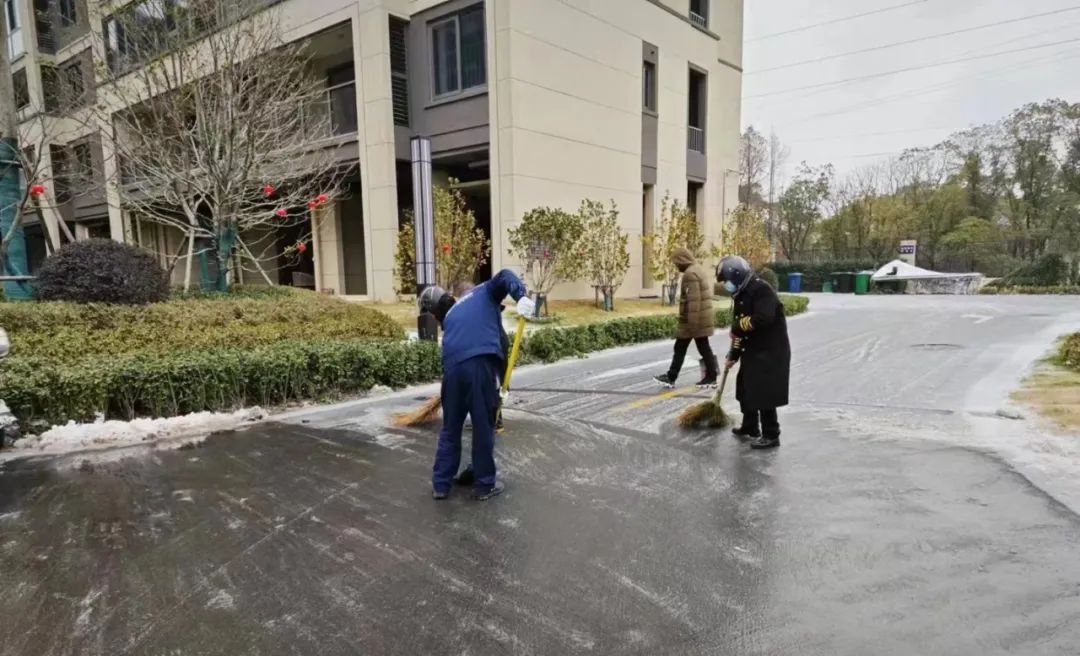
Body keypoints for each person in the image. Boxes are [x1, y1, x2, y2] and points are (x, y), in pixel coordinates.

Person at [421, 270, 534, 500]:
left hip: (452, 374)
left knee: (450, 430)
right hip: (479, 368)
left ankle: (441, 485)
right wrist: (520, 295)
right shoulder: (482, 292)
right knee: (483, 427)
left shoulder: (451, 318)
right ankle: (484, 485)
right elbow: (505, 276)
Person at [718, 256, 790, 450]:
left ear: (737, 275)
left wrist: (737, 327)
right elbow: (739, 331)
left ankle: (771, 434)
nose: (726, 285)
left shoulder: (761, 290)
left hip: (770, 350)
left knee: (764, 392)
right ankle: (751, 426)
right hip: (754, 349)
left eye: (727, 280)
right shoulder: (741, 294)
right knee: (745, 387)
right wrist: (733, 354)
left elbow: (764, 318)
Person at [654, 247, 719, 389]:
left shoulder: (690, 274)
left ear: (682, 260)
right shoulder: (697, 269)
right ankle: (709, 375)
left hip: (693, 321)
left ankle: (709, 377)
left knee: (689, 347)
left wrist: (692, 325)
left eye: (676, 262)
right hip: (698, 319)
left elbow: (693, 301)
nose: (676, 266)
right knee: (696, 347)